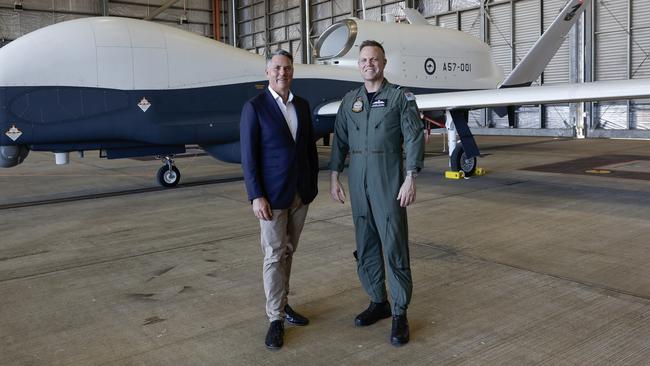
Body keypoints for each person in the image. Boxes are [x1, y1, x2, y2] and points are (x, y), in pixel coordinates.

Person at [329, 40, 424, 346]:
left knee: (393, 244)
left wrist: (411, 177)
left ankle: (399, 312)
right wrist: (334, 176)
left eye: (374, 59)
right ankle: (377, 301)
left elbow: (413, 136)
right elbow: (339, 140)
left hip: (389, 179)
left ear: (383, 63)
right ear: (359, 65)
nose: (369, 64)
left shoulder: (400, 98)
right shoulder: (350, 100)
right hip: (358, 179)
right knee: (366, 242)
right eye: (364, 60)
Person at [240, 49, 319, 350]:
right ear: (267, 72)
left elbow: (308, 150)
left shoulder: (301, 104)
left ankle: (284, 304)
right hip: (271, 198)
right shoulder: (255, 107)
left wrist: (311, 184)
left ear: (292, 71)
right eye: (276, 68)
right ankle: (275, 319)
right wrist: (255, 195)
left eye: (287, 68)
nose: (282, 73)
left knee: (288, 252)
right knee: (274, 255)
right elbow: (249, 157)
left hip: (300, 194)